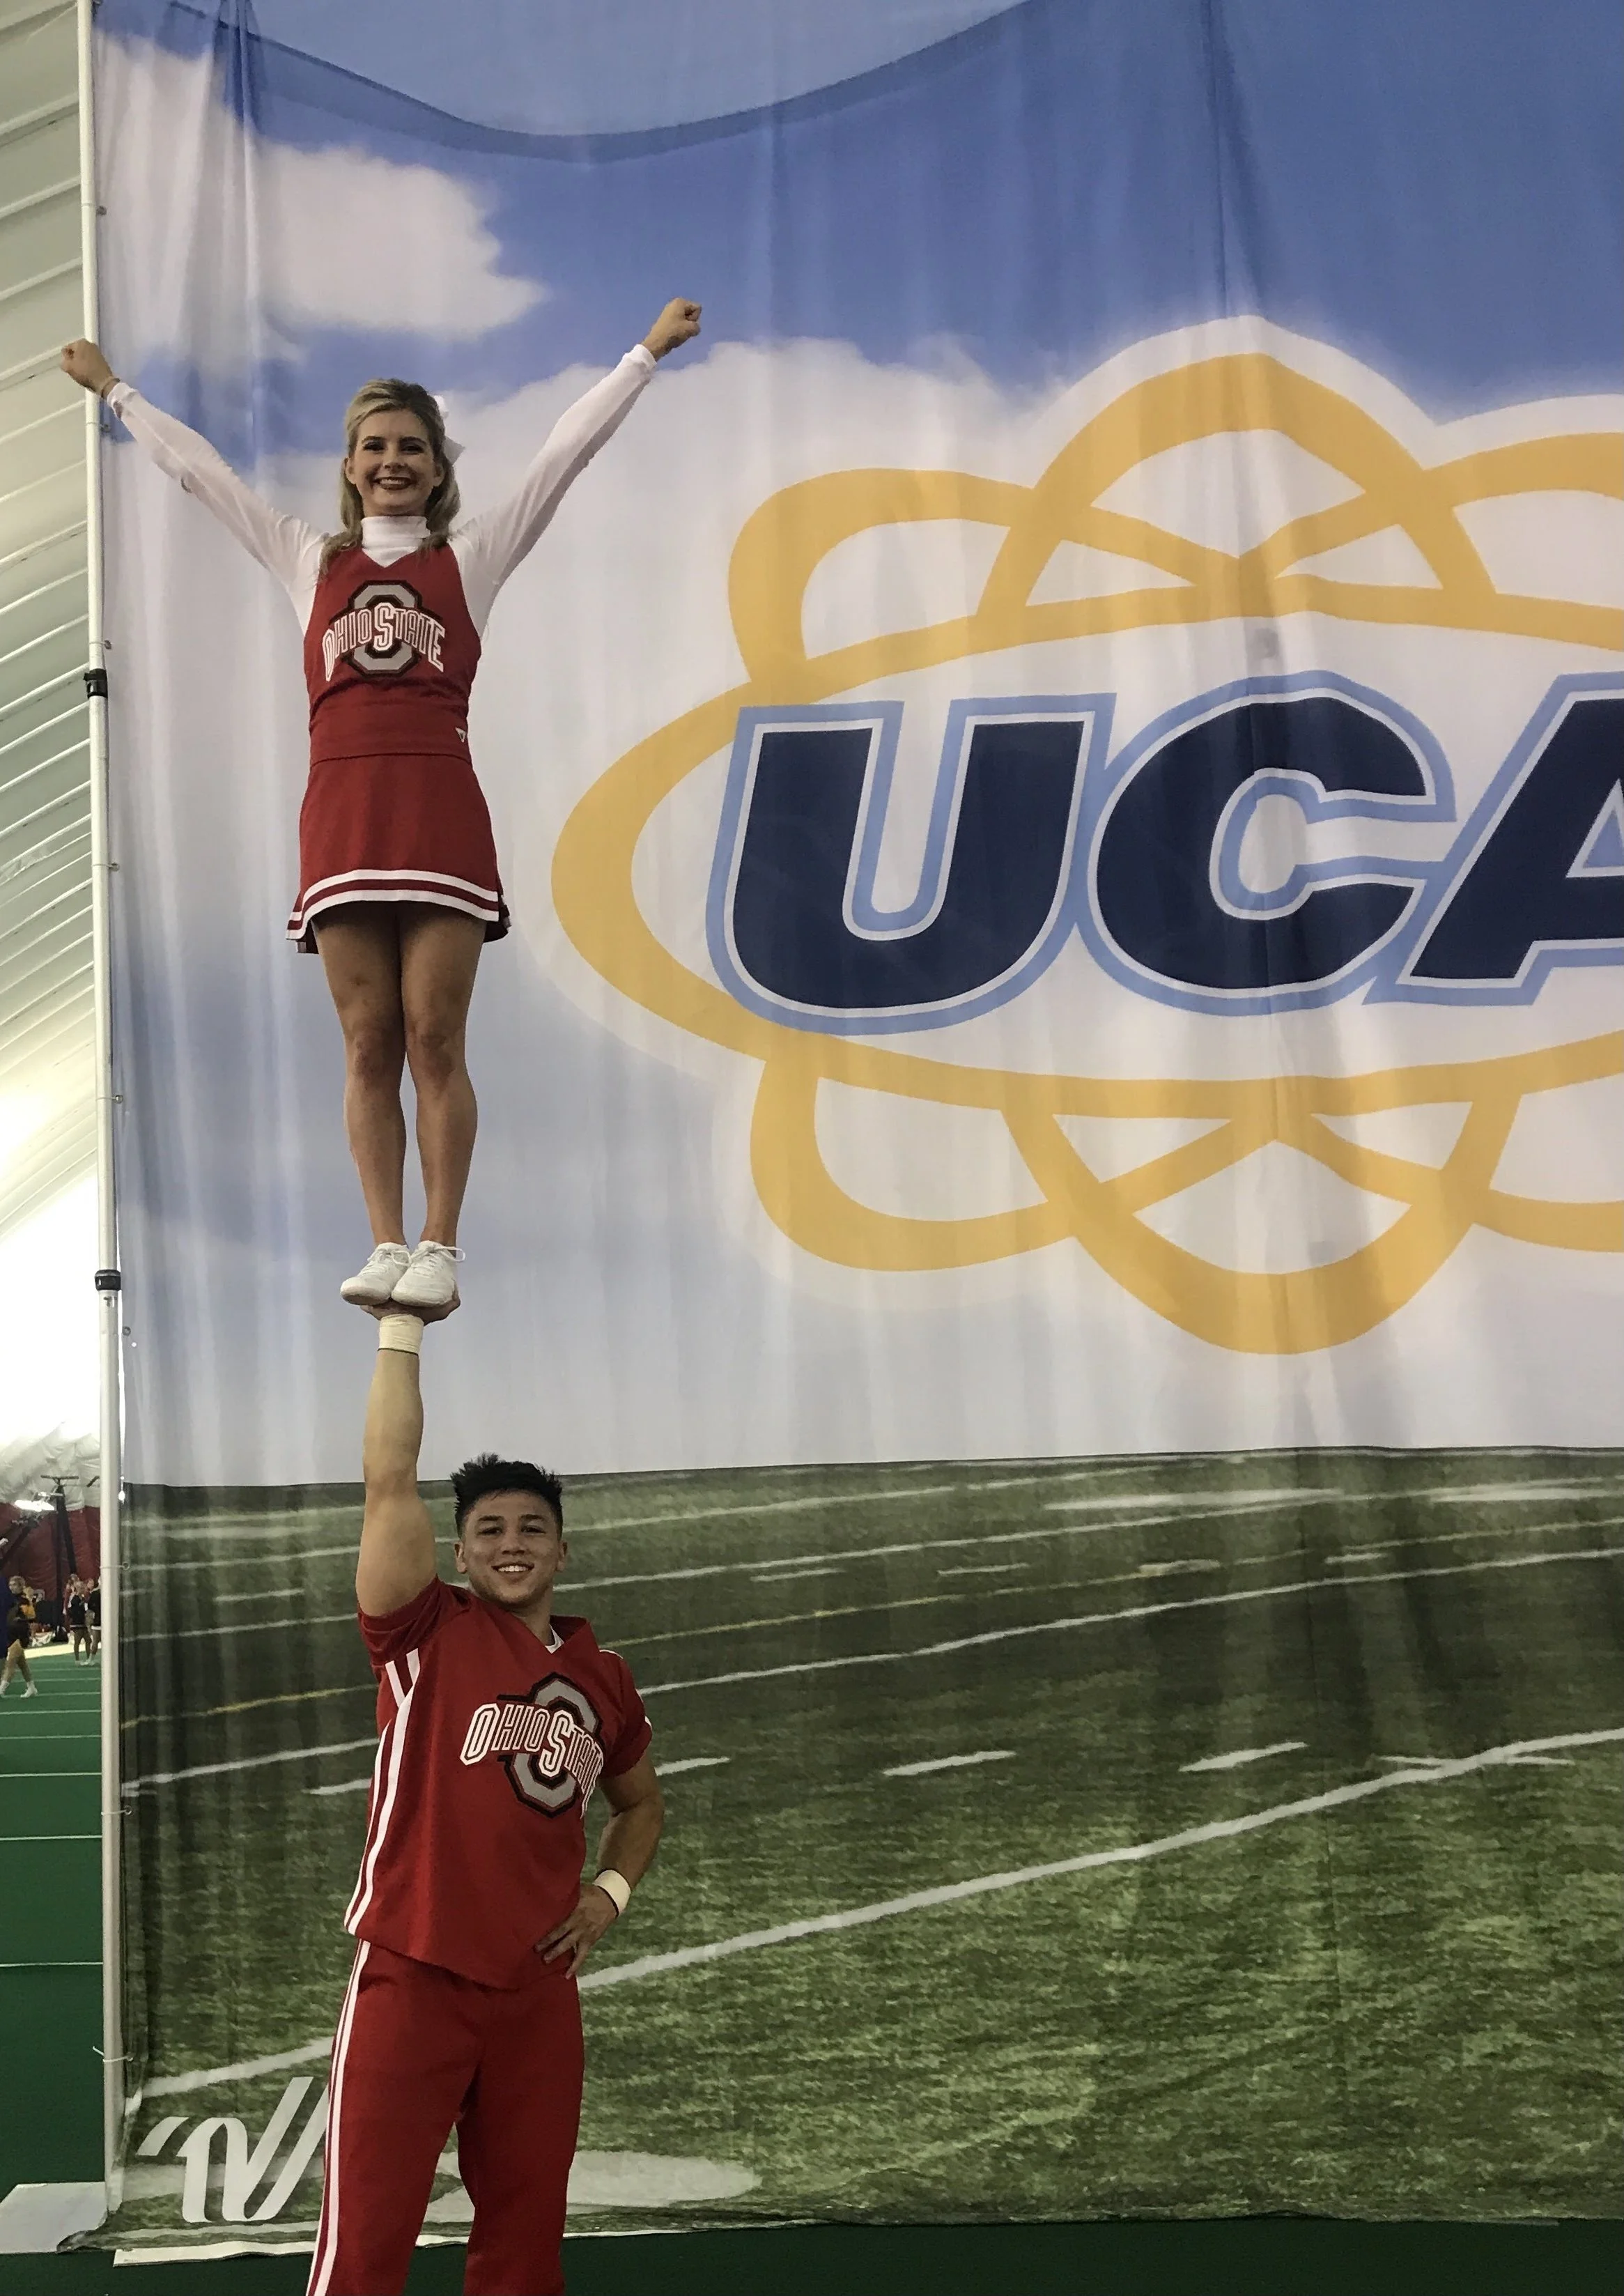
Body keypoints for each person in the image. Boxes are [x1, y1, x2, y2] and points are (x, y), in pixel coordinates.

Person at [61, 298, 702, 1316]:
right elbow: (203, 475)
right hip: (344, 819)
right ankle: (387, 1239)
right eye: (373, 445)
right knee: (367, 1042)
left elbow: (562, 457)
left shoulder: (470, 559)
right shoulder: (306, 559)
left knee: (433, 1034)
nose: (391, 459)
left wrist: (644, 354)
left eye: (411, 445)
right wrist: (115, 391)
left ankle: (441, 1242)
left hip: (439, 813)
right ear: (350, 466)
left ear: (438, 468)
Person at [305, 1306, 665, 2296]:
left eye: (532, 1527)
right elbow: (388, 1474)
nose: (511, 1542)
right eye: (488, 1529)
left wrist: (609, 1895)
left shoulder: (606, 1677)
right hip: (413, 1975)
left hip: (537, 1994)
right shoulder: (424, 1634)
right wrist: (400, 1328)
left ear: (562, 1550)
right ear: (456, 1553)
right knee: (366, 2241)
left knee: (522, 2243)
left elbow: (641, 1805)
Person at [1, 1575, 38, 1697]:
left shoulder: (24, 1600)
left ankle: (2, 1689)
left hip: (20, 1634)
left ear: (20, 1586)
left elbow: (32, 1617)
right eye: (10, 1585)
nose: (11, 1587)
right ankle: (31, 1687)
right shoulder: (8, 1599)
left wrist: (20, 1619)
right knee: (22, 1664)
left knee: (11, 1662)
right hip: (10, 1634)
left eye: (14, 1585)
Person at [65, 1577, 91, 1665]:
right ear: (78, 1589)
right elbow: (72, 1611)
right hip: (77, 1623)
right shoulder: (75, 1599)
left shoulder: (82, 1598)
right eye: (82, 1588)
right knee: (78, 1641)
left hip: (83, 1623)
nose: (84, 1590)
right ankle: (77, 1659)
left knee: (88, 1640)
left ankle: (89, 1658)